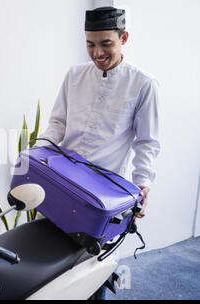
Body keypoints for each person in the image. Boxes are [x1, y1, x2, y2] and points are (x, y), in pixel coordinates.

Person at [37, 6, 160, 218]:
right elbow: (58, 124)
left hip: (103, 192)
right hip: (61, 178)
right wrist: (37, 156)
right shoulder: (75, 74)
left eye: (106, 44)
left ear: (124, 38)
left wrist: (142, 183)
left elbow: (146, 142)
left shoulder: (144, 84)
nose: (97, 53)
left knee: (91, 249)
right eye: (90, 44)